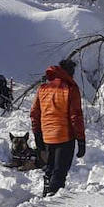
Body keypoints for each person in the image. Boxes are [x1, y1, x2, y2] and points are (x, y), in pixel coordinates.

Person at [31, 58, 86, 197]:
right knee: (60, 170)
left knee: (50, 168)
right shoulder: (70, 88)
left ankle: (46, 192)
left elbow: (34, 114)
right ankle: (52, 198)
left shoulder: (43, 88)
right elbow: (76, 116)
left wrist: (38, 135)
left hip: (47, 136)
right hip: (64, 136)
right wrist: (81, 140)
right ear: (70, 72)